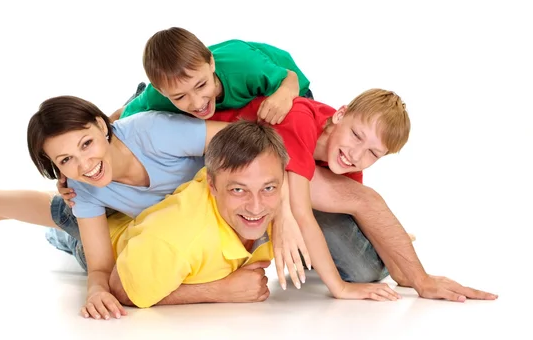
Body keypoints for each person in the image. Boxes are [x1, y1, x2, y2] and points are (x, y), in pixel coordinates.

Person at [0, 96, 300, 320]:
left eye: (87, 144)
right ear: (57, 168)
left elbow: (258, 154)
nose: (85, 164)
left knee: (64, 217)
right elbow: (100, 267)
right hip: (131, 226)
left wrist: (284, 214)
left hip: (176, 213)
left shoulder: (154, 133)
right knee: (64, 219)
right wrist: (96, 290)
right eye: (66, 160)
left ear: (101, 126)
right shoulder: (83, 185)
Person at [210, 89, 498, 302]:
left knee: (366, 271)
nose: (356, 154)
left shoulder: (345, 162)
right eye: (356, 136)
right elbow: (301, 211)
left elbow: (354, 211)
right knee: (364, 201)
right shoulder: (301, 120)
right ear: (341, 113)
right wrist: (340, 288)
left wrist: (403, 266)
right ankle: (413, 273)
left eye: (373, 153)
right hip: (228, 164)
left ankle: (403, 266)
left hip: (278, 186)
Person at [105, 120, 399, 309]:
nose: (256, 207)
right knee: (66, 223)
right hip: (118, 240)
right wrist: (219, 291)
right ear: (212, 185)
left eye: (269, 188)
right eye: (238, 191)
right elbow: (121, 288)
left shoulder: (280, 201)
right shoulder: (176, 239)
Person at [109, 27, 312, 125]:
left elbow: (291, 78)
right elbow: (122, 116)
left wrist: (284, 93)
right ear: (162, 91)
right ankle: (139, 91)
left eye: (201, 85)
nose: (197, 102)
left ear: (211, 63)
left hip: (279, 79)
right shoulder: (157, 95)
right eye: (179, 96)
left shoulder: (246, 67)